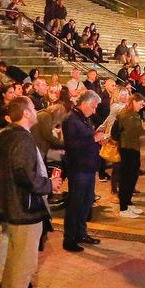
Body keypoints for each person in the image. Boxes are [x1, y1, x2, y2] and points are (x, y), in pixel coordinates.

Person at [0, 96, 62, 288]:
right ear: (26, 114)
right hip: (24, 207)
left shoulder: (3, 136)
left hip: (10, 205)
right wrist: (48, 185)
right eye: (32, 107)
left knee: (13, 260)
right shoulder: (22, 139)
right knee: (24, 264)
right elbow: (24, 175)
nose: (35, 110)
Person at [60, 89, 106, 251]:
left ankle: (81, 232)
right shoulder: (71, 119)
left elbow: (86, 138)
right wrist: (93, 138)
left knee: (86, 202)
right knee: (75, 203)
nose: (94, 111)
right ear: (85, 103)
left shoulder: (84, 119)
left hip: (88, 167)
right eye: (93, 107)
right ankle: (70, 238)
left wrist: (97, 139)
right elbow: (71, 145)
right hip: (78, 168)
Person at [111, 93, 145, 218]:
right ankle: (123, 208)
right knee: (126, 179)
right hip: (127, 149)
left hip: (133, 148)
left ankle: (129, 203)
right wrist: (143, 128)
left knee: (133, 177)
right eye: (140, 104)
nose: (141, 106)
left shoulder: (133, 114)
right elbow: (128, 132)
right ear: (134, 102)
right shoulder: (125, 115)